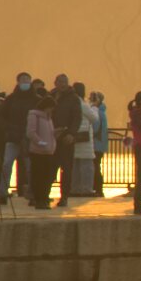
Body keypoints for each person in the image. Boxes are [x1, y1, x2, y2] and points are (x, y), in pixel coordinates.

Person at [0, 72, 37, 204]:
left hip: (30, 138)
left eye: (27, 80)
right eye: (23, 80)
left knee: (30, 167)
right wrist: (8, 128)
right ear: (18, 82)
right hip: (13, 137)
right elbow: (1, 116)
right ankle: (2, 193)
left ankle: (33, 194)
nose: (25, 82)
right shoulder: (11, 99)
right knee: (6, 164)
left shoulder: (36, 99)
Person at [50, 74, 82, 207]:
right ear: (55, 83)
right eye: (60, 82)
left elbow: (77, 118)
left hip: (66, 138)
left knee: (66, 169)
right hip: (51, 137)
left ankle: (64, 197)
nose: (63, 84)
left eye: (65, 82)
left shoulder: (73, 98)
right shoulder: (50, 96)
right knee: (49, 167)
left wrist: (71, 134)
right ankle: (44, 195)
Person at [26, 95, 58, 210]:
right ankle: (39, 199)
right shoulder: (34, 115)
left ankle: (44, 198)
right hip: (38, 152)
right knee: (38, 177)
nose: (52, 110)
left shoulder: (49, 118)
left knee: (47, 177)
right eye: (51, 108)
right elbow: (31, 133)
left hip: (49, 151)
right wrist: (42, 143)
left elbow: (49, 133)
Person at [71, 88, 99, 196]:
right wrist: (94, 107)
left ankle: (75, 189)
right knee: (87, 167)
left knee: (75, 166)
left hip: (73, 136)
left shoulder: (71, 104)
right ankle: (86, 189)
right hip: (84, 139)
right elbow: (94, 118)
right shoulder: (83, 105)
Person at [90, 92, 108, 196]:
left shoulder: (98, 113)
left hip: (95, 144)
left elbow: (94, 128)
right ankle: (98, 188)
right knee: (97, 165)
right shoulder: (102, 112)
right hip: (100, 144)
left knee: (95, 166)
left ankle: (97, 188)